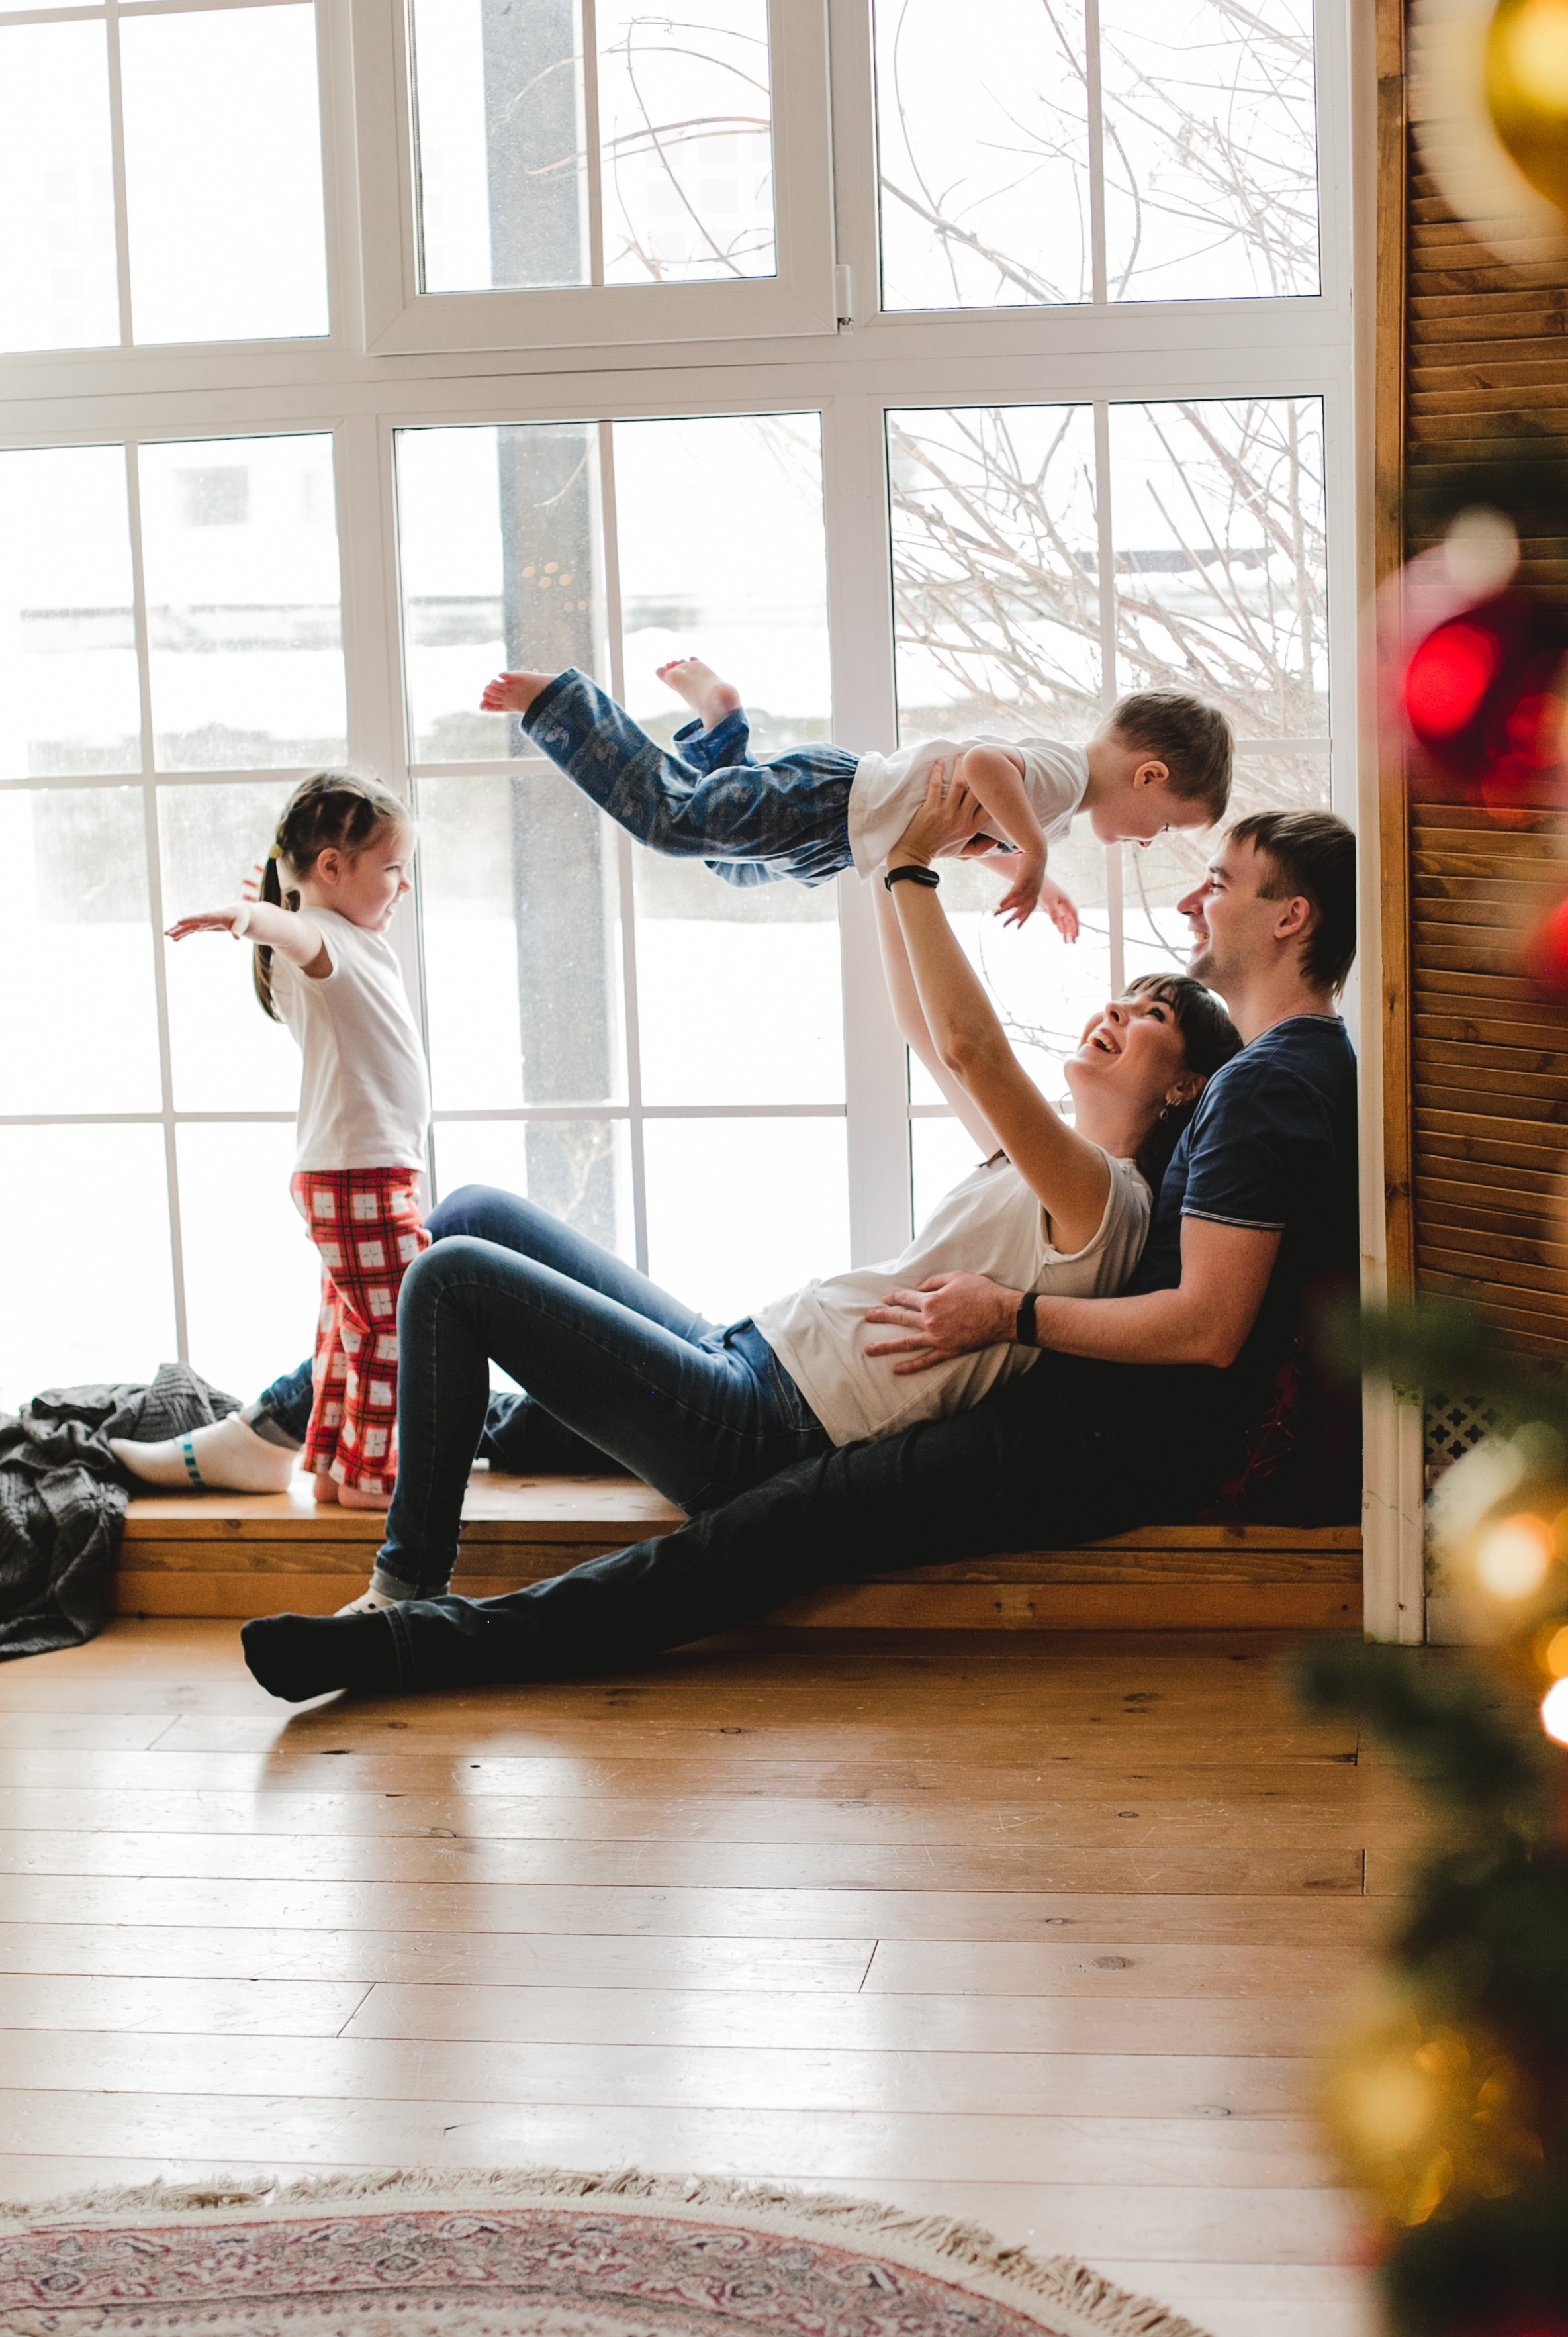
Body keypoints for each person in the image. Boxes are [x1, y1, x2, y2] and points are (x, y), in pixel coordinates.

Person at [241, 802, 1356, 1704]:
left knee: (447, 1276)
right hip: (747, 1350)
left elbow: (973, 1045)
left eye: (1151, 1015)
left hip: (760, 1421)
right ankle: (328, 1412)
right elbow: (930, 1033)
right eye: (1122, 998)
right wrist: (884, 853)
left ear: (1182, 1084)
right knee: (474, 1212)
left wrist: (914, 868)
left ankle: (404, 1584)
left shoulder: (1102, 1199)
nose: (1116, 1011)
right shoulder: (1038, 1162)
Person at [113, 773, 430, 1511]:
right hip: (358, 1174)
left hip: (359, 1171)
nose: (404, 885)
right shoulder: (323, 940)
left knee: (351, 1329)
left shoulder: (348, 942)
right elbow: (294, 931)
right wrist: (252, 918)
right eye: (392, 868)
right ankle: (371, 1479)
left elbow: (295, 934)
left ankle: (332, 1467)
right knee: (396, 1326)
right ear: (332, 867)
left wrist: (269, 912)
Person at [479, 655, 1234, 928]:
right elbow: (982, 765)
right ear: (1149, 775)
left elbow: (970, 828)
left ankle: (720, 722)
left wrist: (1030, 869)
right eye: (1167, 825)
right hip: (830, 806)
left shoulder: (1061, 806)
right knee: (673, 823)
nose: (1152, 840)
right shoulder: (1066, 777)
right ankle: (560, 703)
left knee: (729, 862)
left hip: (835, 835)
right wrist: (1034, 855)